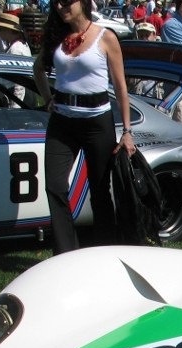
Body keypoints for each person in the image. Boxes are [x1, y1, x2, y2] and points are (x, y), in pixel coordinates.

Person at [32, 0, 136, 255]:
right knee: (54, 186)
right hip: (62, 122)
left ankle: (105, 251)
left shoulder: (106, 37)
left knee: (100, 190)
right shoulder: (57, 36)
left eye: (67, 1)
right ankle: (66, 253)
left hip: (97, 122)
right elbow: (37, 70)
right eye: (56, 2)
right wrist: (47, 99)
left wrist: (126, 131)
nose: (60, 6)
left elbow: (121, 88)